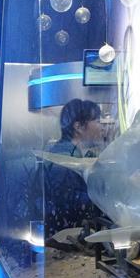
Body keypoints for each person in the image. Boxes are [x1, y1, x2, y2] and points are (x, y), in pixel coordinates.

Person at [45, 98, 104, 233]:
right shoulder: (65, 159)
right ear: (78, 127)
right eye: (97, 121)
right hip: (63, 234)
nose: (102, 127)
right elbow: (71, 200)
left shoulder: (75, 154)